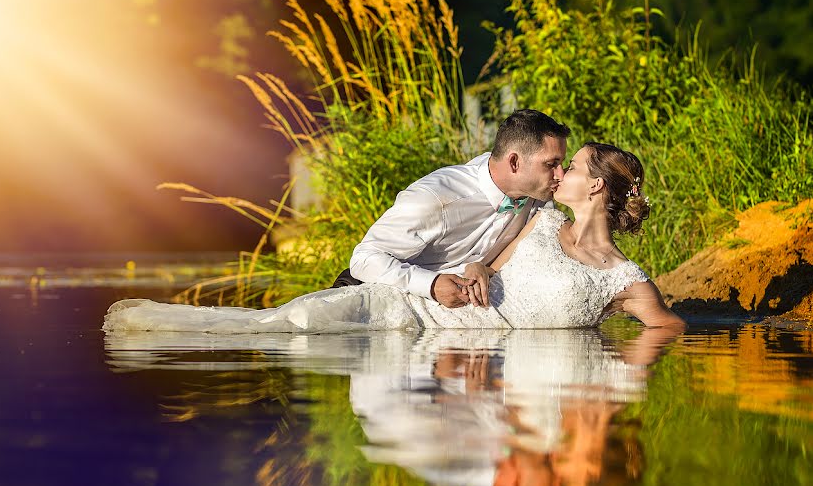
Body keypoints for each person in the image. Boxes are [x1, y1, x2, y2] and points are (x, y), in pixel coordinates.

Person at [103, 142, 686, 332]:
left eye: (573, 168)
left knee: (286, 330)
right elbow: (490, 257)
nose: (559, 174)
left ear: (597, 191)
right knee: (285, 326)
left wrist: (627, 368)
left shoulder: (623, 278)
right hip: (416, 310)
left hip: (454, 355)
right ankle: (170, 324)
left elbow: (670, 328)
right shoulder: (538, 217)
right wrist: (481, 269)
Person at [335, 109, 570, 309]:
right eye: (551, 165)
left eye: (561, 164)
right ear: (514, 163)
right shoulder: (436, 197)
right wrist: (432, 284)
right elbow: (364, 259)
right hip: (370, 301)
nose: (561, 175)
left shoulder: (539, 198)